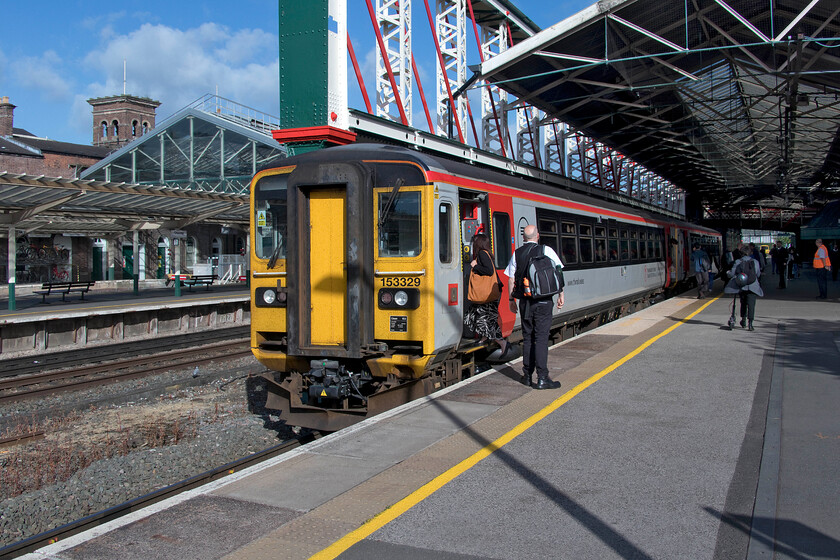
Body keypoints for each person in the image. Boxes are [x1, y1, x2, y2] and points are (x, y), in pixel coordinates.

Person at [505, 224, 564, 390]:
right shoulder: (546, 250)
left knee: (528, 338)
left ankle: (527, 376)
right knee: (541, 338)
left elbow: (511, 279)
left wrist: (511, 300)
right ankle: (543, 378)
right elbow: (558, 272)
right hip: (544, 302)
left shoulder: (517, 253)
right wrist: (561, 294)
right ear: (537, 236)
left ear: (524, 238)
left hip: (526, 303)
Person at [464, 233, 513, 360]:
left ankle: (503, 343)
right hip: (491, 293)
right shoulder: (487, 253)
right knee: (477, 315)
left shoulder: (482, 254)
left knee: (485, 319)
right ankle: (484, 338)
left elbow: (489, 271)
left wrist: (475, 266)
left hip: (488, 294)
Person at [725, 242, 763, 331]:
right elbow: (758, 273)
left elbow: (732, 274)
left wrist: (728, 273)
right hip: (753, 286)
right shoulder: (755, 262)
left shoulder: (738, 262)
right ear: (750, 253)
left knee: (743, 303)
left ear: (741, 253)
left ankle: (743, 320)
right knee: (751, 304)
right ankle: (751, 324)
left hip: (742, 286)